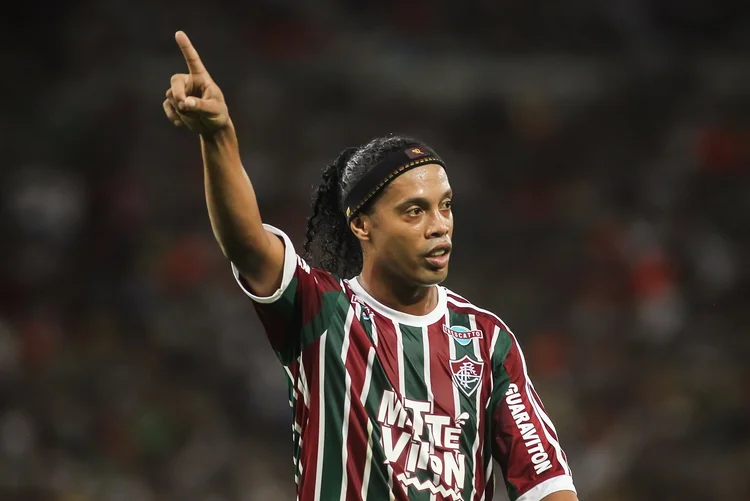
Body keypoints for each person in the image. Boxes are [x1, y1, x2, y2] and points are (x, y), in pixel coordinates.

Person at [162, 30, 578, 501]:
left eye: (446, 206)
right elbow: (247, 243)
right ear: (362, 225)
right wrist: (219, 135)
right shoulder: (321, 311)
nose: (440, 225)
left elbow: (546, 480)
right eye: (415, 211)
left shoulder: (485, 340)